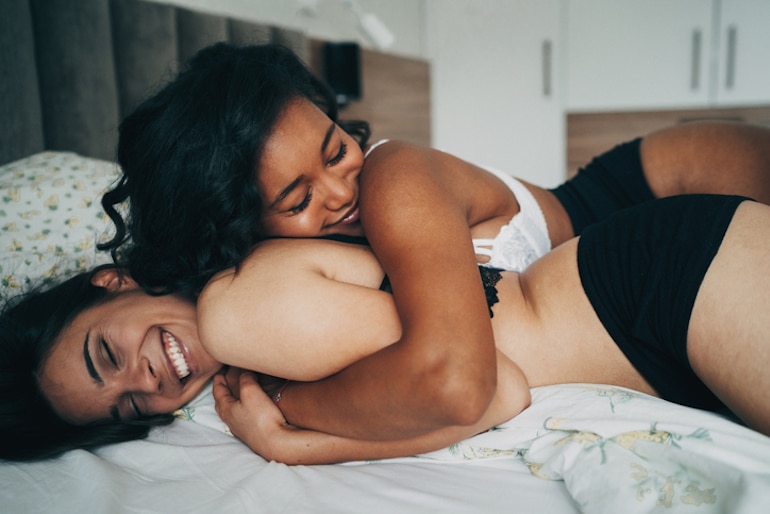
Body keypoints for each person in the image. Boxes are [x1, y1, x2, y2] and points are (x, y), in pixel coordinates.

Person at [100, 42, 770, 441]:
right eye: (297, 200)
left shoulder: (390, 177)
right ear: (240, 232)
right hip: (643, 287)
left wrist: (289, 417)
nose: (340, 191)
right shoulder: (301, 275)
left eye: (336, 149)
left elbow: (456, 379)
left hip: (671, 182)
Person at [4, 193, 770, 464]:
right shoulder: (243, 339)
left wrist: (290, 441)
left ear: (111, 283)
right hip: (649, 337)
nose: (145, 380)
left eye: (105, 354)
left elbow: (491, 390)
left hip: (658, 288)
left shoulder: (238, 310)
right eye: (128, 406)